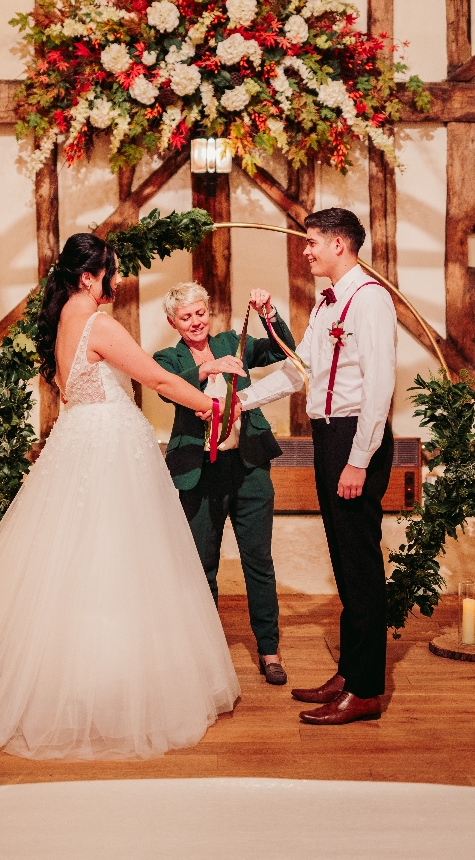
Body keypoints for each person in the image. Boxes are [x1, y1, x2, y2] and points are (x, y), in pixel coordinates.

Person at [0, 233, 239, 760]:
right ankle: (114, 689)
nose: (117, 281)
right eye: (112, 272)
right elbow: (159, 379)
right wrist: (211, 408)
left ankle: (73, 683)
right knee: (117, 559)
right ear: (88, 276)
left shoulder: (62, 324)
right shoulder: (97, 322)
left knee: (75, 562)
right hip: (106, 450)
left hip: (77, 442)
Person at [237, 208, 397, 724]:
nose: (305, 250)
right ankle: (350, 674)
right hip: (328, 437)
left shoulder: (370, 300)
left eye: (312, 242)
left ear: (340, 245)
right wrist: (241, 401)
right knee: (345, 566)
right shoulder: (327, 304)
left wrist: (358, 461)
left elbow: (379, 389)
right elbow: (297, 370)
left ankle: (367, 691)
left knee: (362, 569)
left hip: (355, 438)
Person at [153, 282, 296, 686]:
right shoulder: (167, 357)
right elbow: (168, 386)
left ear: (209, 313)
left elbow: (283, 348)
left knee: (258, 562)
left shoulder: (235, 341)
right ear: (173, 322)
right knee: (202, 566)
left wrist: (269, 313)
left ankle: (269, 650)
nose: (196, 322)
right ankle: (209, 654)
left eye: (200, 313)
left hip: (248, 466)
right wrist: (207, 368)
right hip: (199, 474)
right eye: (186, 317)